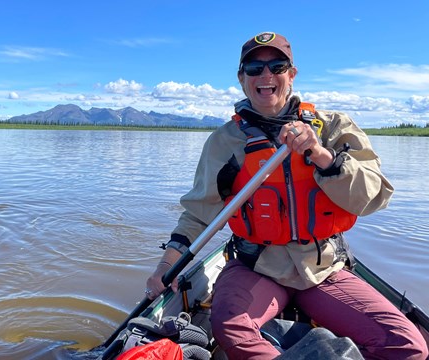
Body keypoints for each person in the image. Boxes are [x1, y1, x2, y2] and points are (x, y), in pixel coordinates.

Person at [144, 31, 428, 359]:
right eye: (254, 68)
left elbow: (375, 197)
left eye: (277, 66)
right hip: (256, 266)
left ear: (291, 75)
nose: (266, 76)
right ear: (241, 79)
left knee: (408, 346)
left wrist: (323, 156)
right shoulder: (224, 142)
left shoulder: (335, 128)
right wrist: (165, 267)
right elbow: (198, 214)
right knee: (231, 328)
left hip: (322, 268)